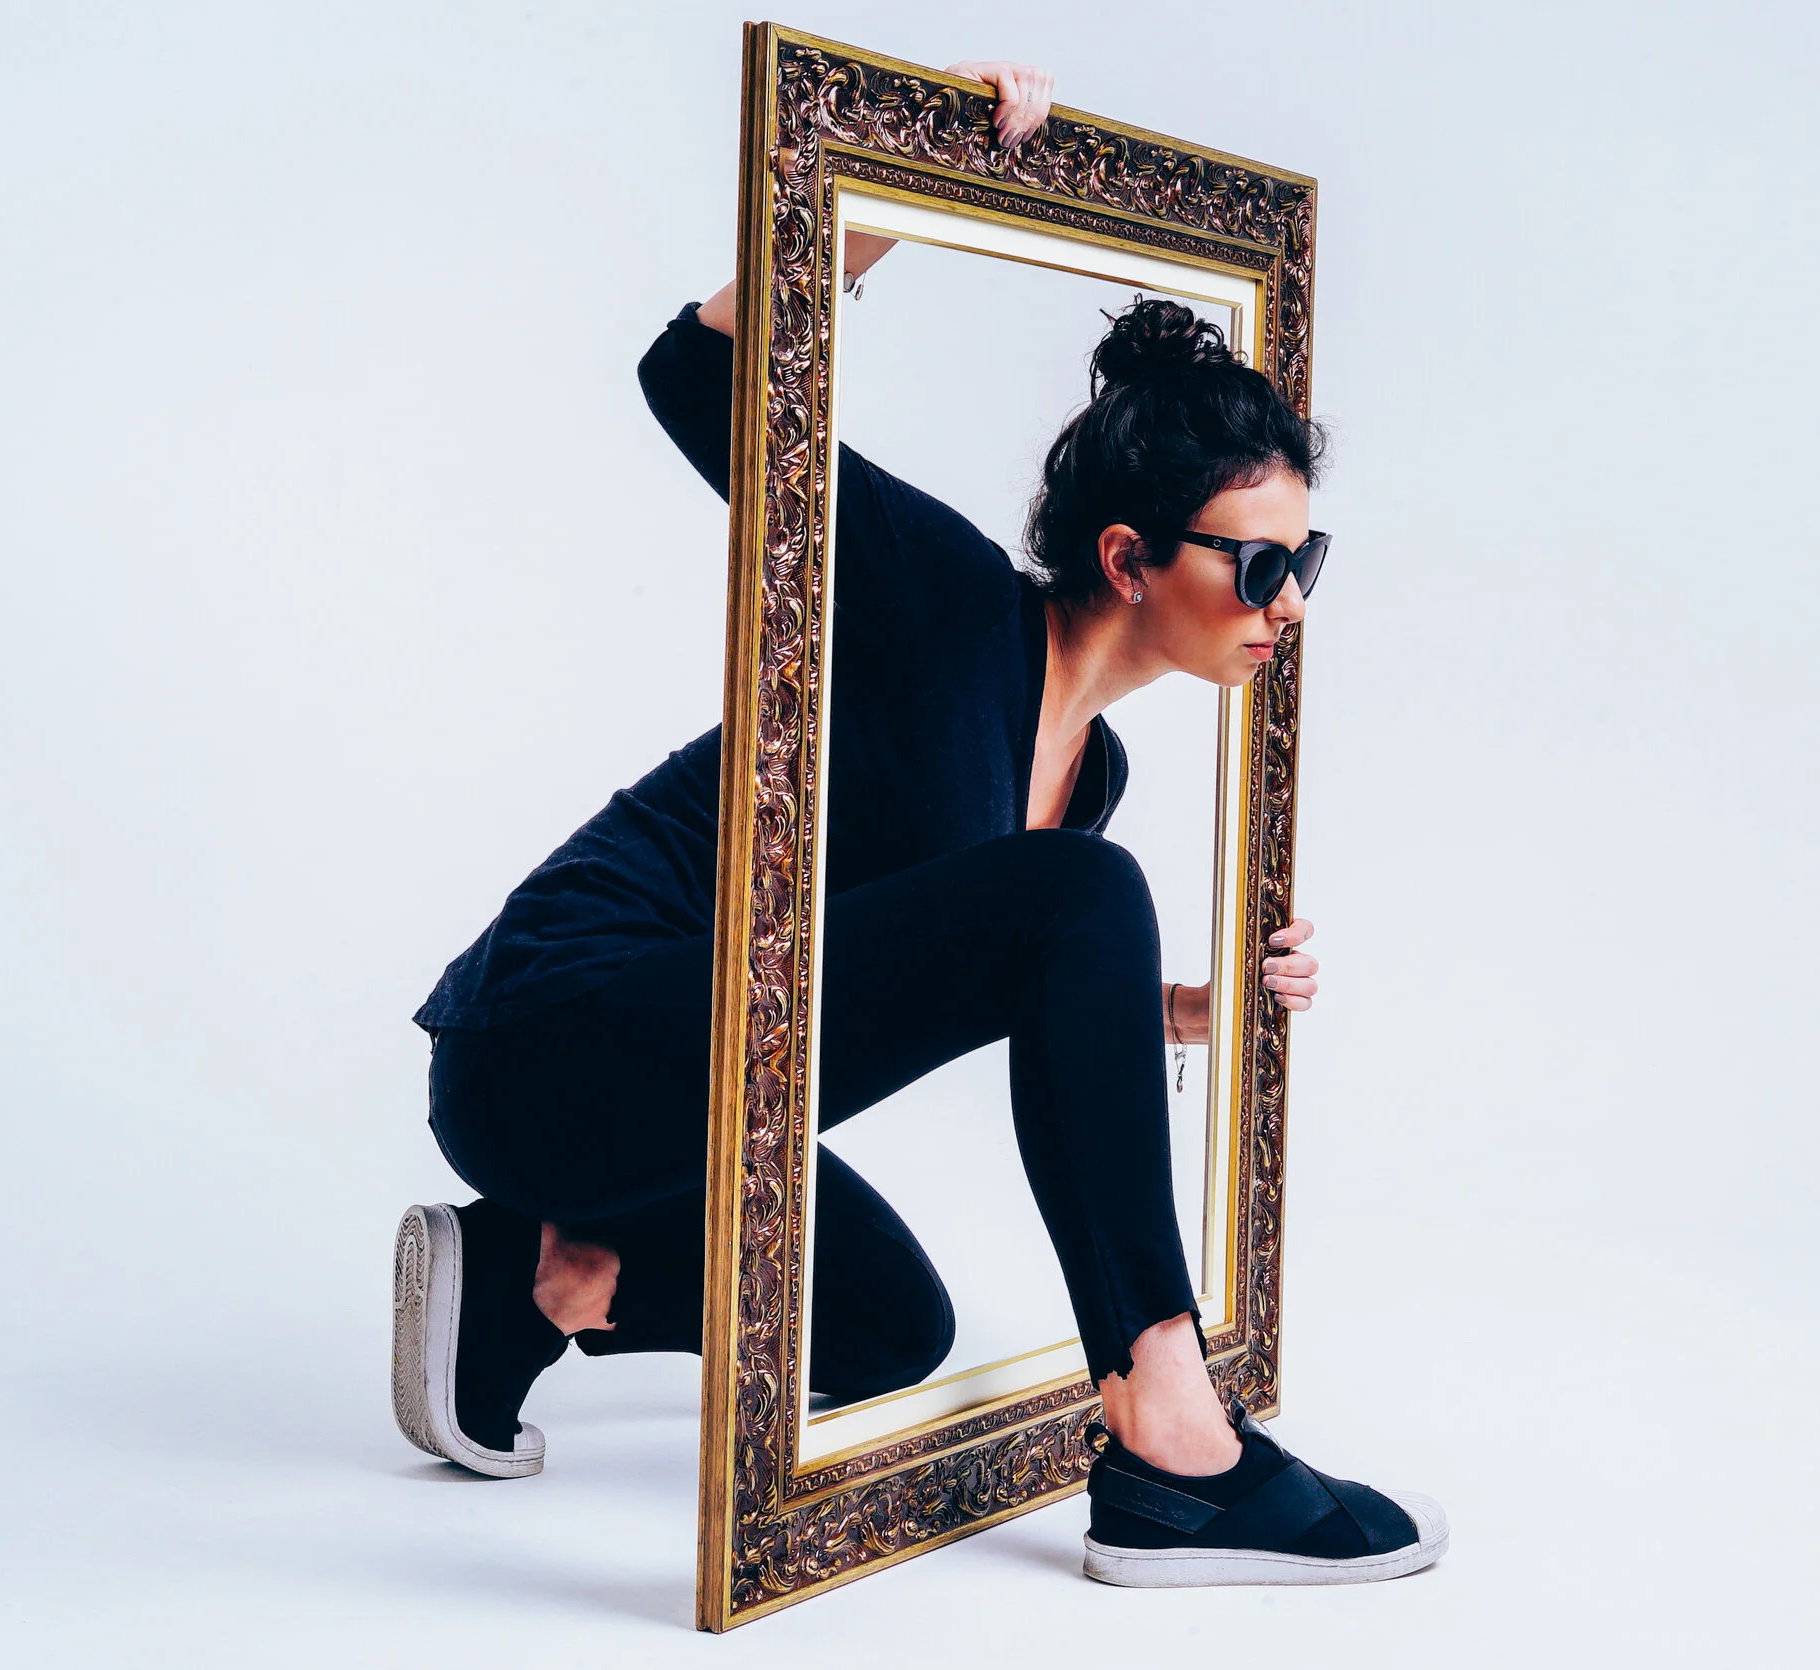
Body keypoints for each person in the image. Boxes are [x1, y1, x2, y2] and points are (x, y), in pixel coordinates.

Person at [391, 58, 1445, 1592]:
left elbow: (989, 968)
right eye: (1260, 565)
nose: (1288, 605)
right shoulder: (946, 604)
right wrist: (894, 176)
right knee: (1081, 890)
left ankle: (532, 1270)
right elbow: (692, 379)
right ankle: (1175, 1442)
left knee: (892, 1330)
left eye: (1307, 561)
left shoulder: (1087, 780)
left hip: (688, 1102)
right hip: (551, 1040)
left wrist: (1193, 1009)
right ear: (1129, 558)